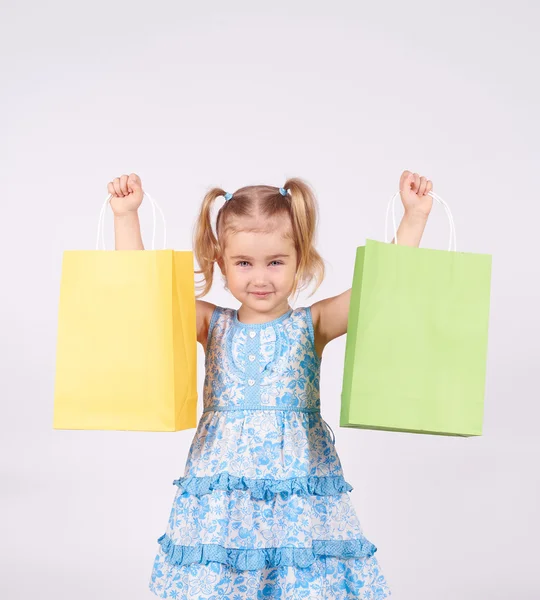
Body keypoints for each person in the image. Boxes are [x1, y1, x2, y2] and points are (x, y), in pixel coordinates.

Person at [109, 171, 433, 599]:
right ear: (220, 261)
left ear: (300, 258)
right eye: (244, 262)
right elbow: (143, 293)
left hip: (296, 489)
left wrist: (413, 219)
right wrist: (126, 217)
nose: (260, 278)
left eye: (276, 261)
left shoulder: (311, 323)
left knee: (296, 581)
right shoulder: (212, 323)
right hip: (226, 492)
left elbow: (377, 292)